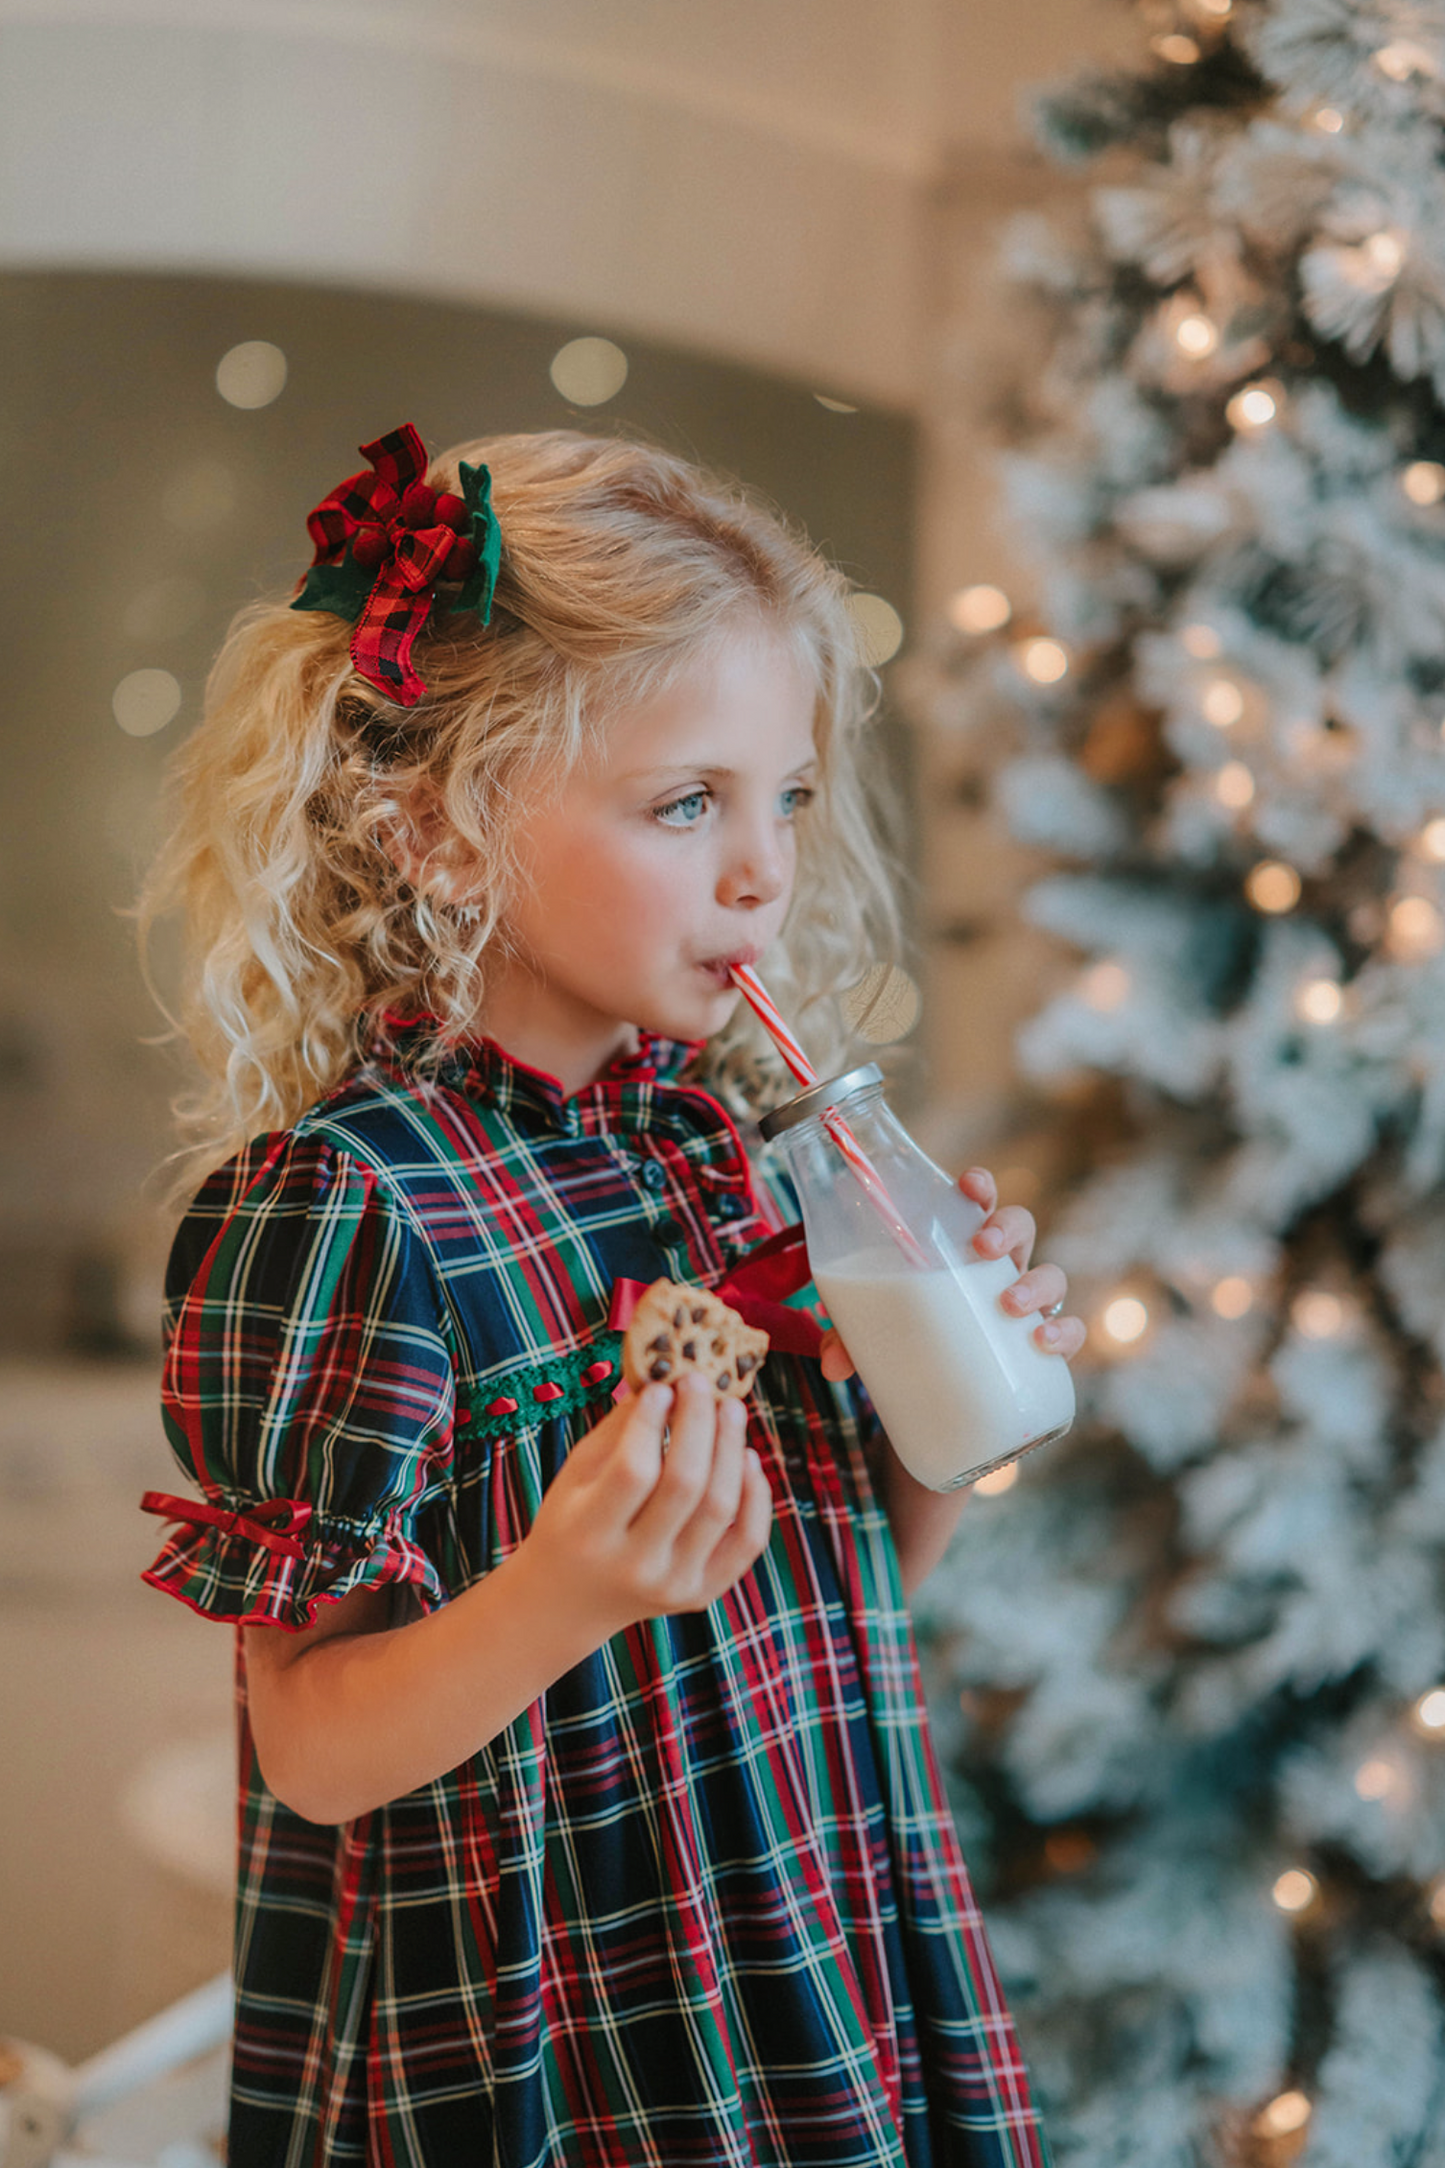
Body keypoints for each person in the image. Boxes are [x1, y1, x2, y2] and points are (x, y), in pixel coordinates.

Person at [135, 424, 1085, 2168]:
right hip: (562, 2031)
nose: (763, 869)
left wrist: (951, 1421)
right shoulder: (350, 1212)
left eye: (785, 795)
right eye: (685, 803)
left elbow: (834, 1575)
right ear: (437, 831)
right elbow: (315, 1743)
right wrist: (561, 1592)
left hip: (807, 1933)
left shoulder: (715, 1145)